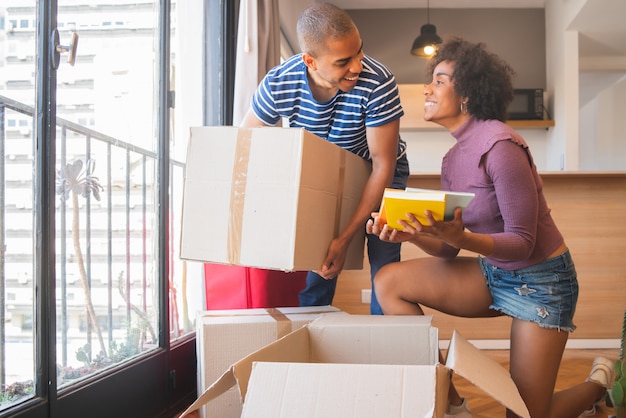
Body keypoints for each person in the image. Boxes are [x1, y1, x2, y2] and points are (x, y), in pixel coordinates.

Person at [366, 36, 614, 418]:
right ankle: (448, 400)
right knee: (388, 282)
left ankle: (597, 386)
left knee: (526, 415)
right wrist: (415, 234)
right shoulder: (452, 159)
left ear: (466, 94)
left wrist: (461, 237)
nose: (428, 89)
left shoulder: (501, 146)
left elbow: (521, 242)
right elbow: (449, 249)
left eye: (440, 80)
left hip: (542, 283)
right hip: (494, 273)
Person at [240, 2, 409, 315]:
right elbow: (246, 143)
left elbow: (382, 164)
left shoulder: (379, 82)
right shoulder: (280, 82)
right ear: (310, 61)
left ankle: (385, 341)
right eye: (344, 61)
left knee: (384, 259)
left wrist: (345, 237)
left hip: (379, 169)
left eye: (359, 52)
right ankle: (308, 339)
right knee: (320, 263)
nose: (357, 66)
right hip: (326, 170)